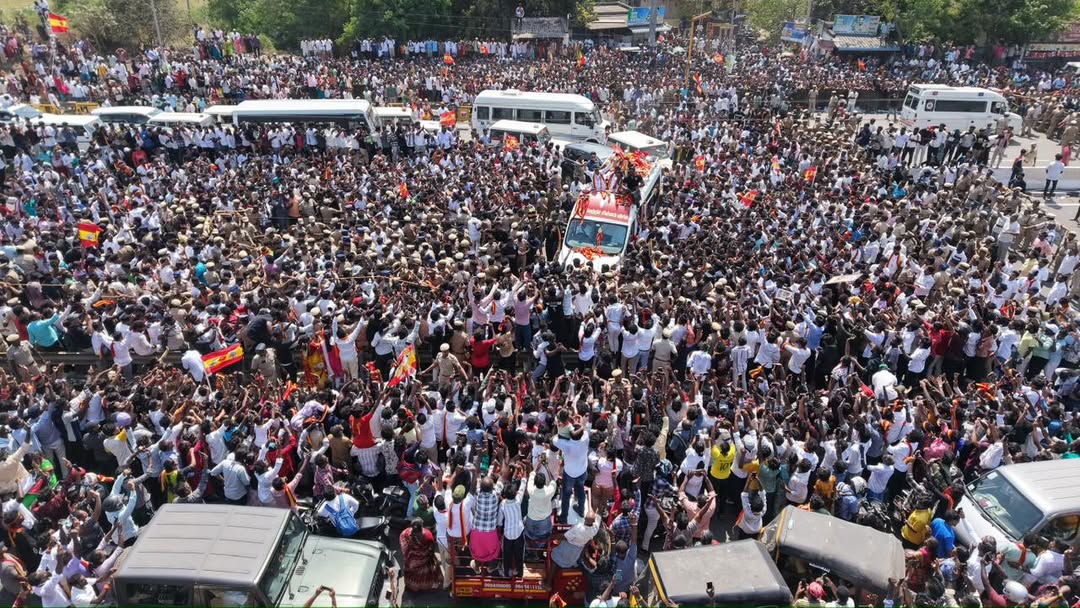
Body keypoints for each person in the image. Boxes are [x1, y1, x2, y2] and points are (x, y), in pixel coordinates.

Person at [399, 518, 444, 592]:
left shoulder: (405, 533)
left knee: (411, 573)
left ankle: (412, 587)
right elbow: (431, 548)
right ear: (422, 526)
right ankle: (428, 586)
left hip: (411, 562)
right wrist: (428, 557)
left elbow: (403, 544)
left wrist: (410, 556)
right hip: (425, 560)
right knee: (430, 570)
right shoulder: (428, 535)